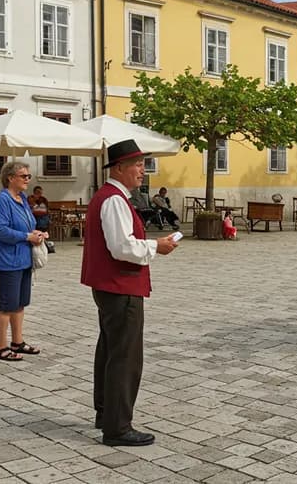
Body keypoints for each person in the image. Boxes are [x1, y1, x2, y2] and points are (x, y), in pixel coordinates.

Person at [82, 139, 179, 446]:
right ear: (120, 168)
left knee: (110, 352)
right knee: (125, 357)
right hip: (120, 286)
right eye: (137, 164)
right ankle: (118, 427)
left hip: (111, 286)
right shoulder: (114, 200)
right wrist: (156, 246)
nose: (142, 170)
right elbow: (121, 247)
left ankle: (106, 414)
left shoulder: (111, 197)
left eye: (142, 164)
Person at [0, 161, 48, 363]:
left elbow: (28, 223)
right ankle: (1, 347)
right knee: (7, 304)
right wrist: (26, 236)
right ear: (10, 178)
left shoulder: (21, 198)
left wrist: (36, 233)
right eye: (24, 176)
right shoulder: (3, 200)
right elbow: (1, 230)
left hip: (23, 258)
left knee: (20, 302)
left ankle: (17, 342)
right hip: (7, 260)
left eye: (28, 176)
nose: (27, 180)